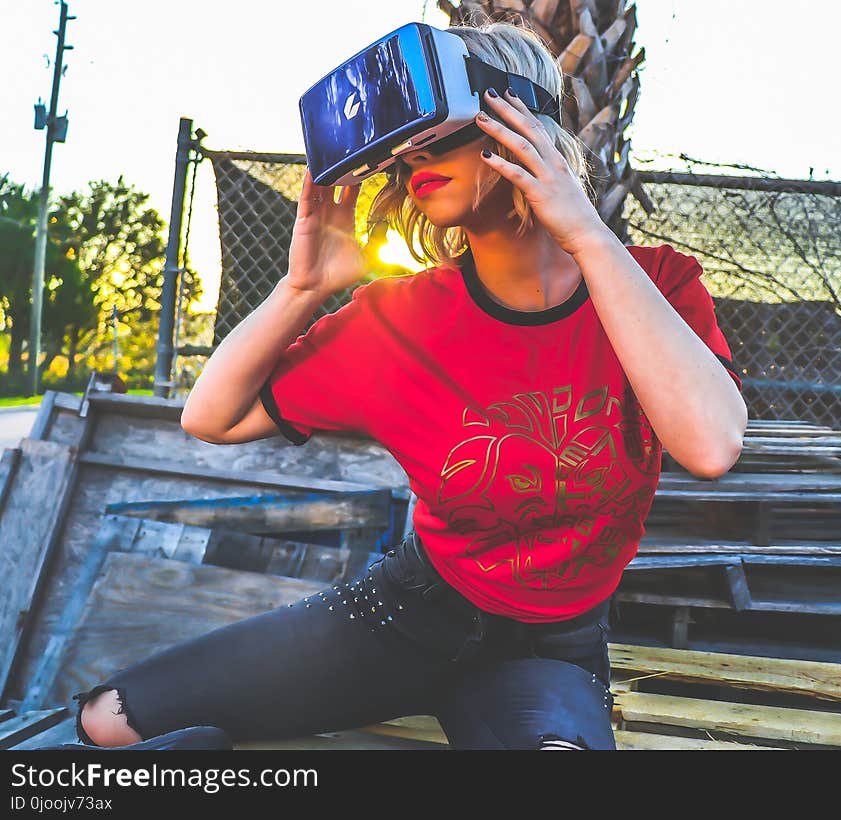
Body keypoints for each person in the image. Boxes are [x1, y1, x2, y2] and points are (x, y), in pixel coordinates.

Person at [43, 20, 746, 752]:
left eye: (440, 134)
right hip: (405, 613)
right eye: (404, 149)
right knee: (108, 721)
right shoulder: (398, 318)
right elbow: (211, 417)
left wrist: (589, 236)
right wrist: (302, 287)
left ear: (522, 130)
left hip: (546, 652)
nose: (416, 161)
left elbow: (710, 444)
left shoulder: (659, 286)